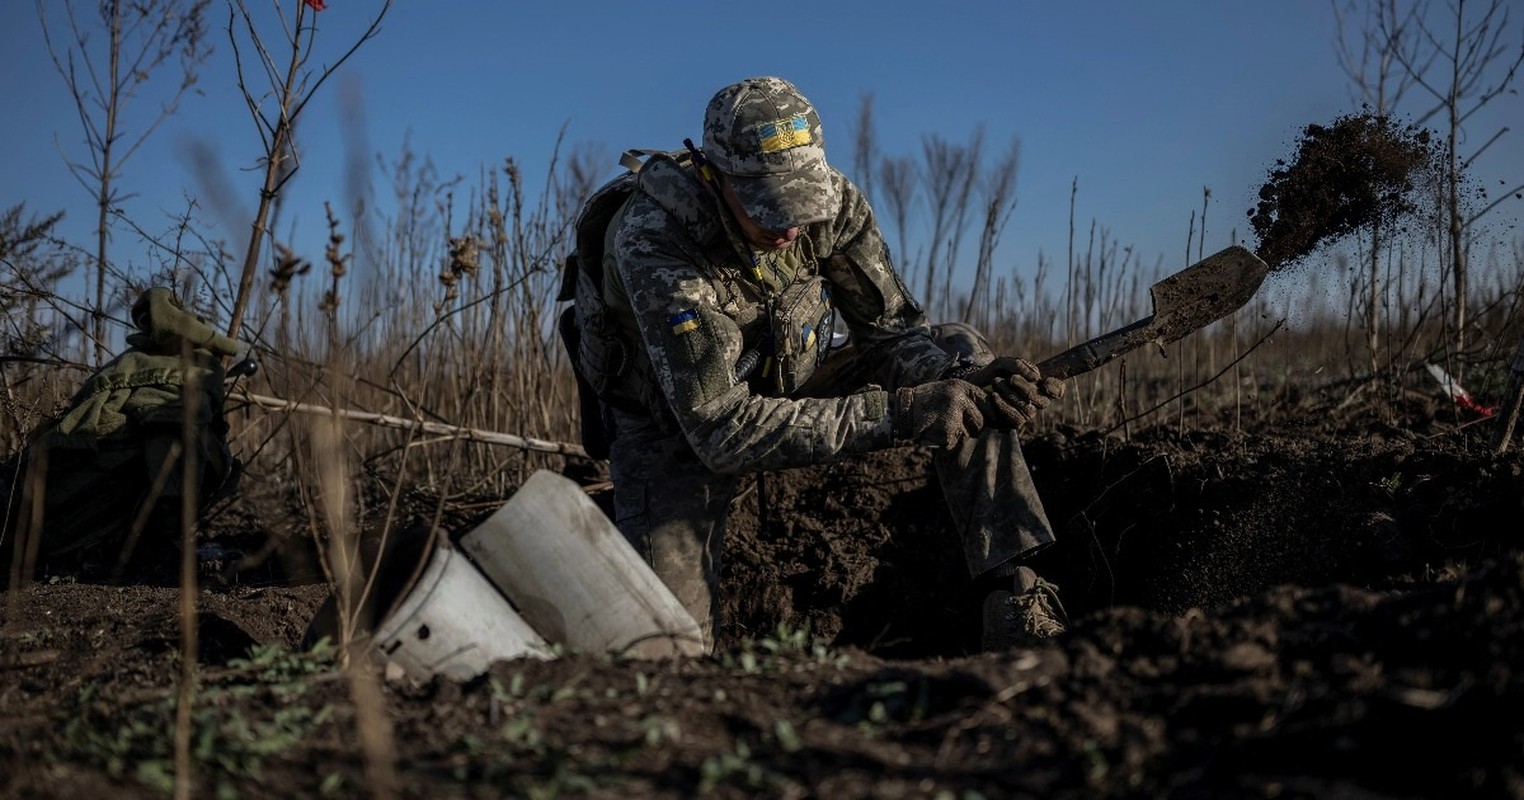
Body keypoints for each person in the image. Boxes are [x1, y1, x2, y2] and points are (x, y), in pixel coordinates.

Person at [573, 76, 1067, 652]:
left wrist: (950, 386)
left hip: (791, 379)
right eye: (769, 207)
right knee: (666, 649)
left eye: (800, 204)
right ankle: (626, 518)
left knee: (957, 351)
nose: (789, 228)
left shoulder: (833, 205)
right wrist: (903, 413)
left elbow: (889, 336)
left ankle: (1014, 595)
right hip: (677, 425)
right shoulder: (656, 242)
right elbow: (720, 429)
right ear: (714, 176)